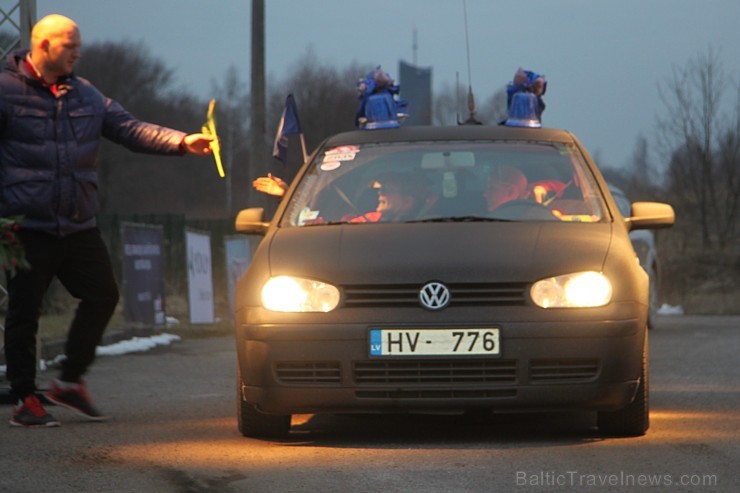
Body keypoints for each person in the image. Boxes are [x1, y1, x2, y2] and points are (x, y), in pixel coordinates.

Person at [0, 14, 213, 428]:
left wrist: (183, 142)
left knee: (102, 296)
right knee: (25, 312)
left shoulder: (85, 94)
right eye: (69, 46)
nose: (77, 53)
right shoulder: (6, 92)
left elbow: (129, 128)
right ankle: (26, 397)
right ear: (42, 46)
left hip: (77, 223)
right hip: (26, 225)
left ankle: (69, 382)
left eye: (78, 45)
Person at [349, 172, 432, 223]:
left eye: (388, 189)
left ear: (407, 202)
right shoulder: (372, 218)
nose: (380, 192)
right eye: (381, 188)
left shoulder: (428, 226)